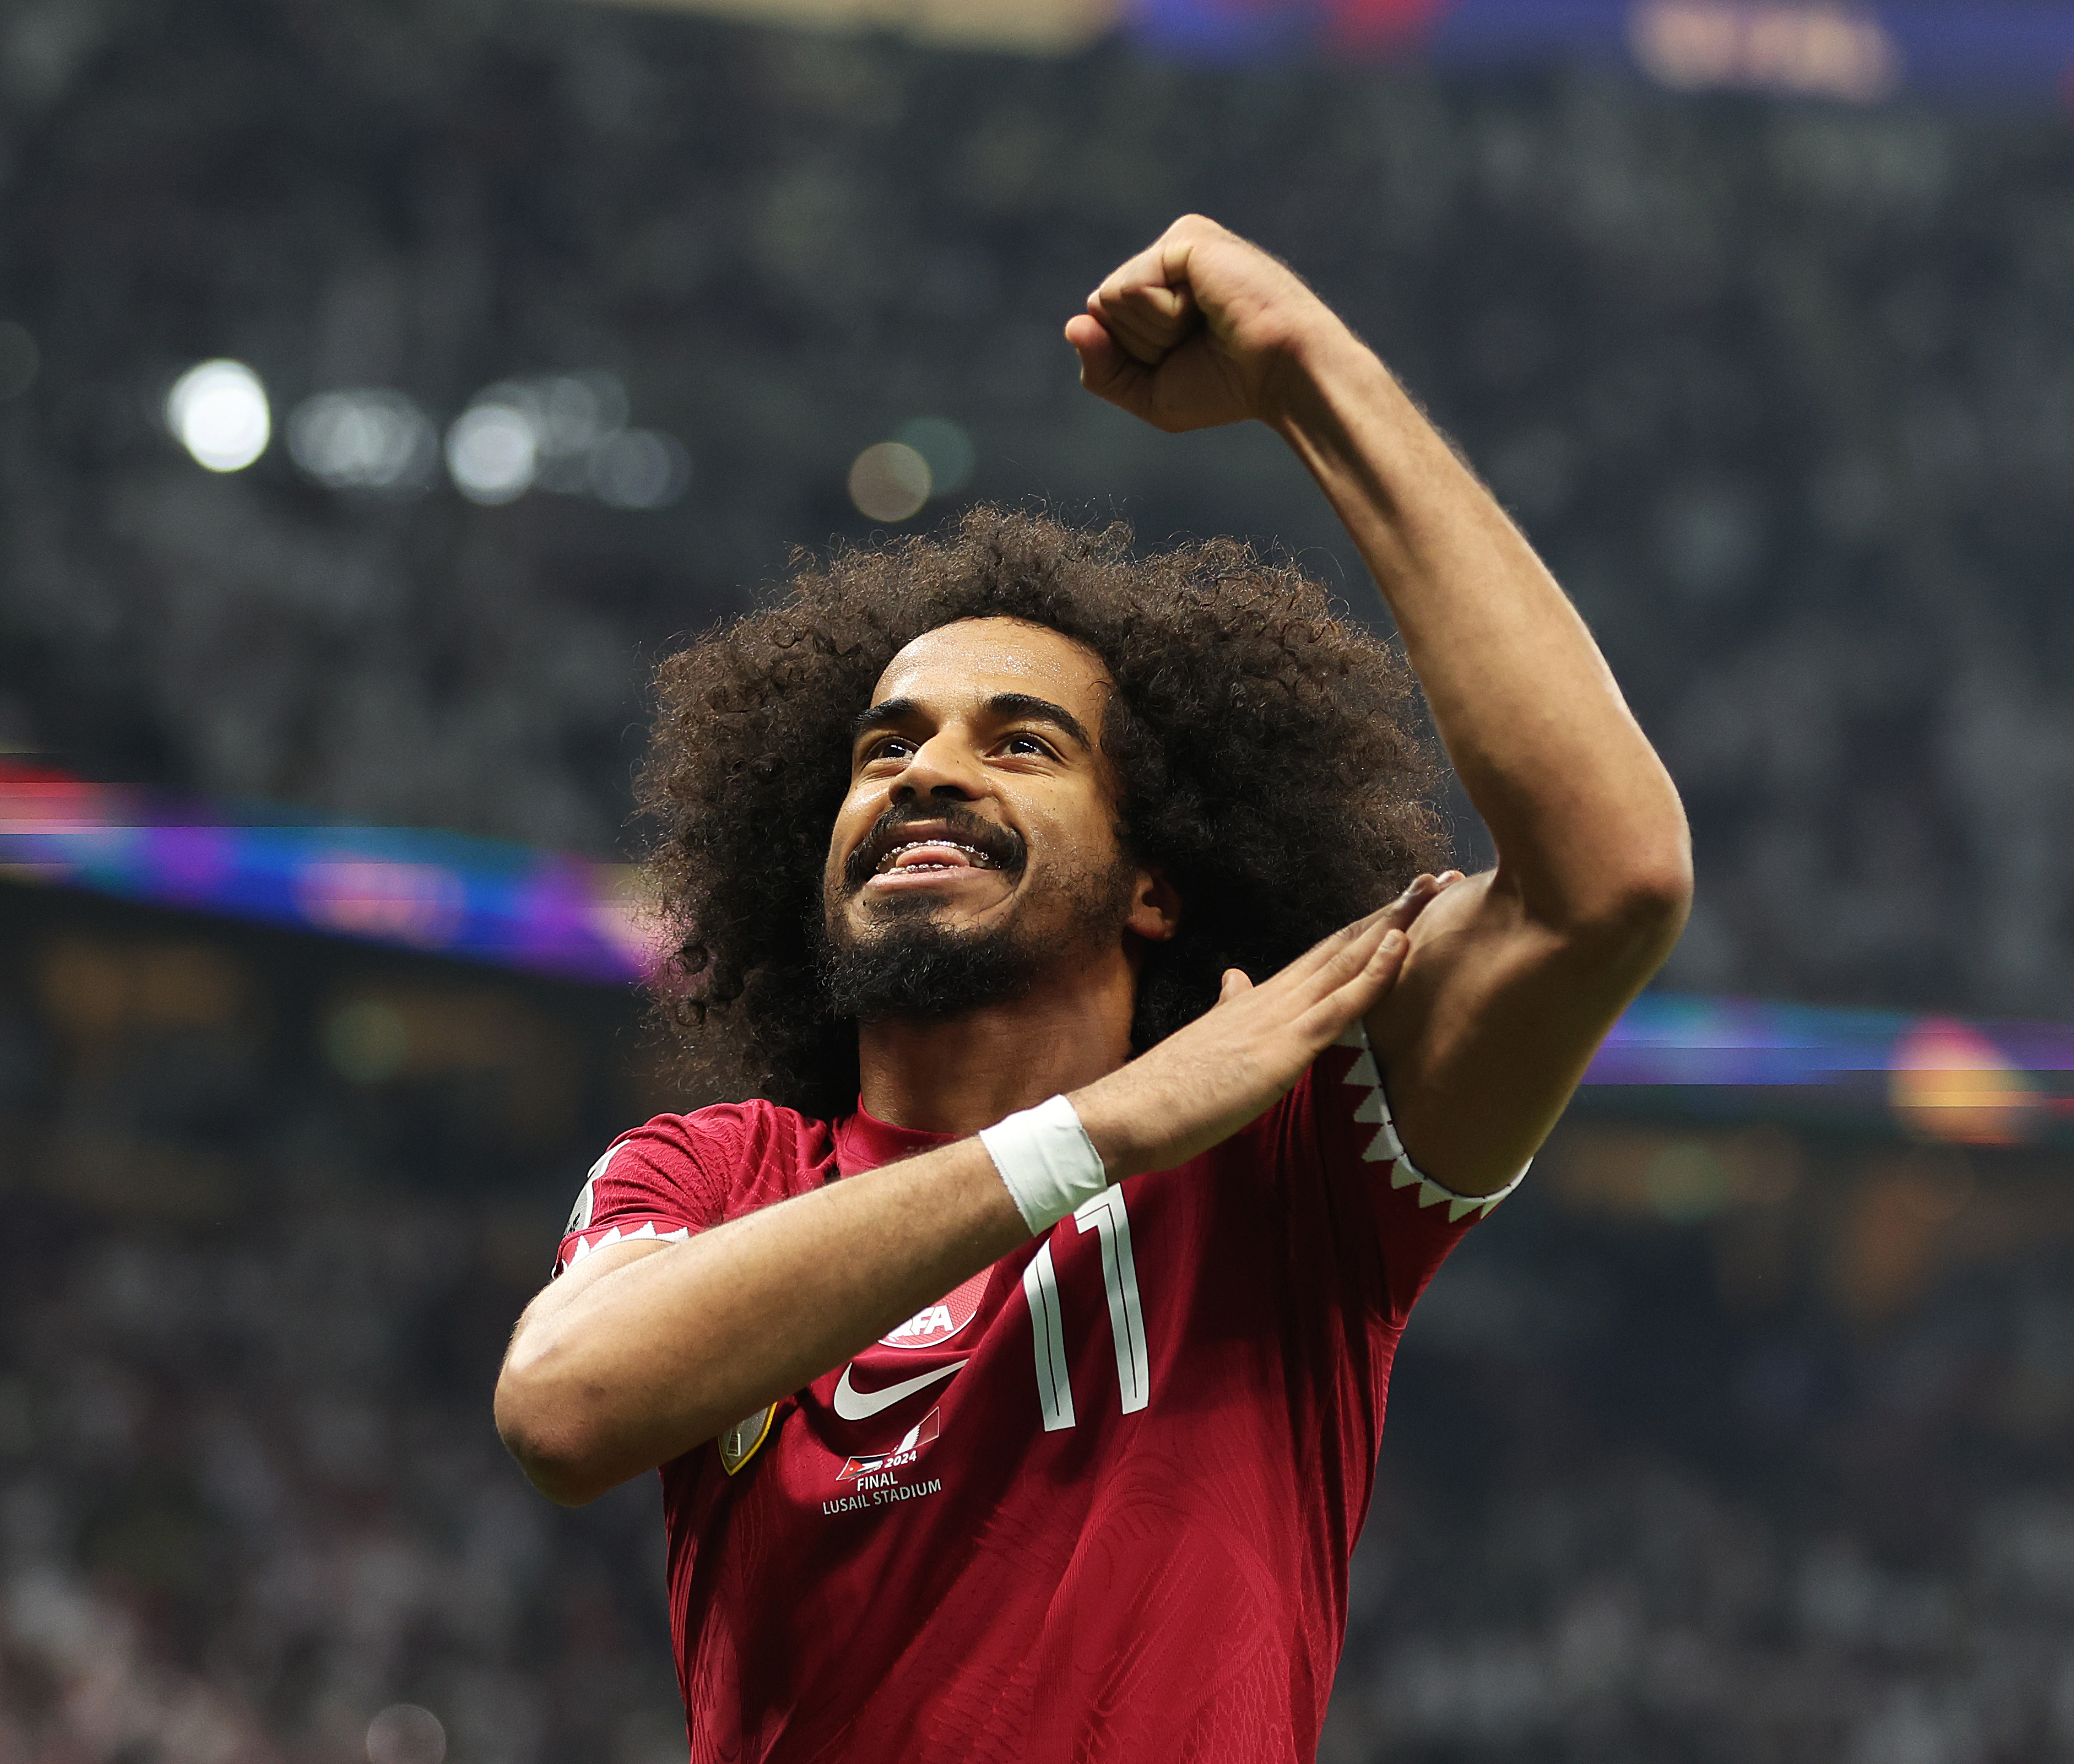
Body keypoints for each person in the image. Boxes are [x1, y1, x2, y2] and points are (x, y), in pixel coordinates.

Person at [494, 215, 1692, 1762]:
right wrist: (1102, 1127)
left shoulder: (1298, 1160)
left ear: (1158, 878)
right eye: (885, 747)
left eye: (1021, 742)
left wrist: (1306, 372)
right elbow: (566, 1407)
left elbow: (1614, 881)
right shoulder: (717, 1174)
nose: (928, 772)